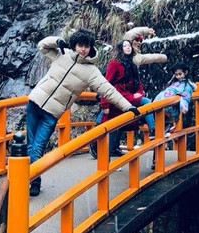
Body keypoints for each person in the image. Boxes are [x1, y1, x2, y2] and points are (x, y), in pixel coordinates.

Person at [26, 30, 140, 195]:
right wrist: (57, 41)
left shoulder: (91, 71)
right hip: (35, 103)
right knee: (30, 145)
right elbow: (42, 45)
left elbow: (108, 90)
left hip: (51, 113)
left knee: (37, 148)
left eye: (86, 46)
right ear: (74, 45)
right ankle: (31, 180)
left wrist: (127, 106)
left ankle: (31, 181)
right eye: (80, 45)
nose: (83, 49)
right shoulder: (61, 55)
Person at [96, 37, 162, 157]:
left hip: (129, 96)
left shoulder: (132, 63)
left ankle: (111, 150)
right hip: (118, 96)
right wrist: (105, 104)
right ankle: (153, 130)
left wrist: (139, 93)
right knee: (146, 103)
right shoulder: (114, 63)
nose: (128, 47)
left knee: (118, 125)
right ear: (120, 49)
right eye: (125, 45)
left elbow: (138, 82)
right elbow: (106, 85)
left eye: (129, 45)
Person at [155, 65, 195, 131]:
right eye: (176, 75)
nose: (178, 76)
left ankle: (166, 127)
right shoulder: (173, 82)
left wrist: (184, 107)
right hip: (163, 102)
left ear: (186, 72)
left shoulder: (187, 85)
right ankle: (161, 129)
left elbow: (185, 96)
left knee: (166, 114)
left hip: (171, 106)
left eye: (180, 74)